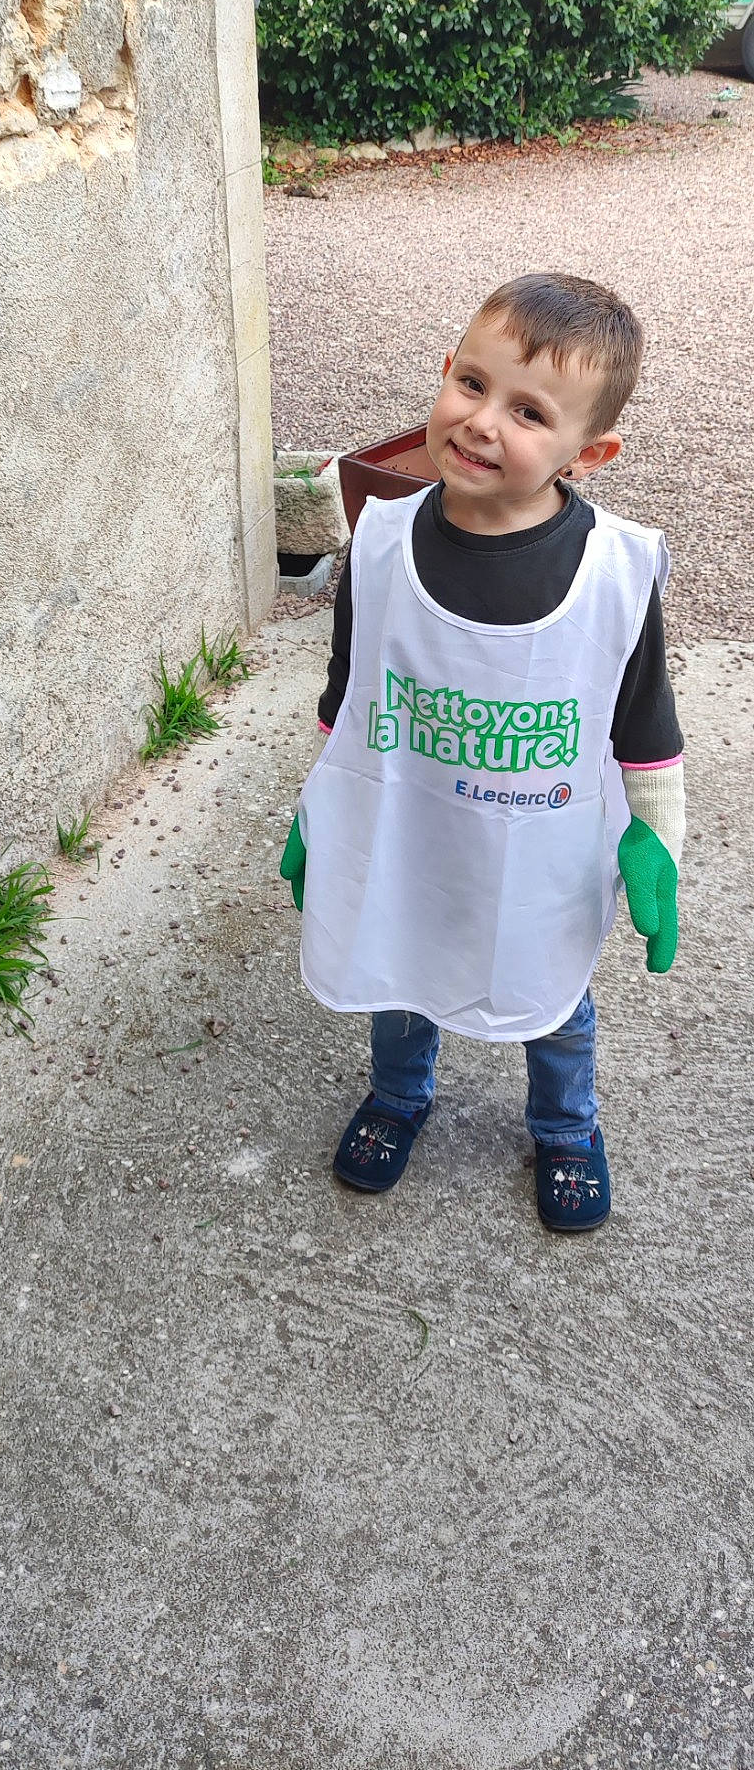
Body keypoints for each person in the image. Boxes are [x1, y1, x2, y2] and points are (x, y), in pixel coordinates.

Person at [280, 273, 684, 1232]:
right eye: (470, 383)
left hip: (540, 852)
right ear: (445, 372)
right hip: (407, 835)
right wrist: (315, 812)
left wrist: (655, 840)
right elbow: (349, 691)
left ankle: (565, 1126)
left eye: (529, 412)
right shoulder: (378, 542)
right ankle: (398, 1095)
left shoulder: (614, 572)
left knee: (551, 999)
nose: (481, 422)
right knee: (397, 965)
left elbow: (645, 723)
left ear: (590, 452)